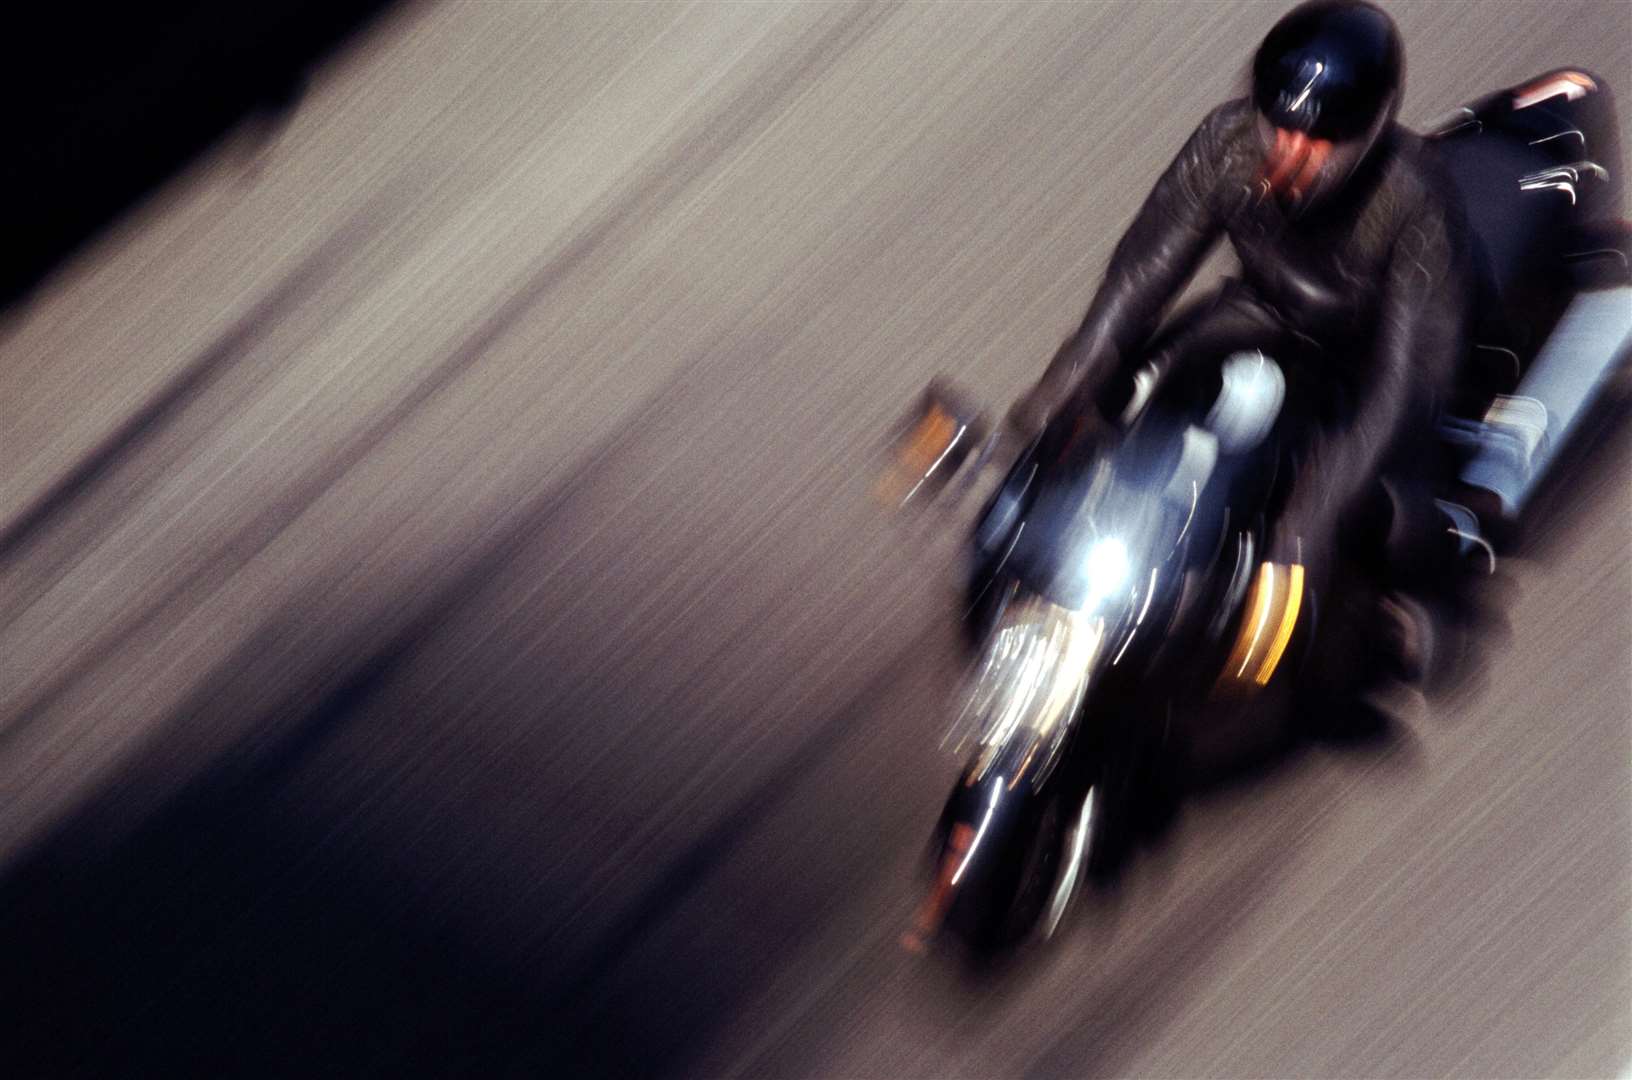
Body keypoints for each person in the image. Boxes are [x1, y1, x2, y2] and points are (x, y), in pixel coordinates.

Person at [1009, 0, 1471, 687]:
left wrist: (1312, 516)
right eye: (1277, 125)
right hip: (1254, 315)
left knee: (1384, 514)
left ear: (1365, 136)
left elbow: (1407, 385)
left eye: (1316, 142)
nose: (1286, 152)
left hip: (1361, 365)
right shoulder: (1227, 144)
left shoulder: (1414, 202)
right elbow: (1142, 271)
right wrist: (1070, 377)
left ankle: (1395, 611)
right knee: (1122, 398)